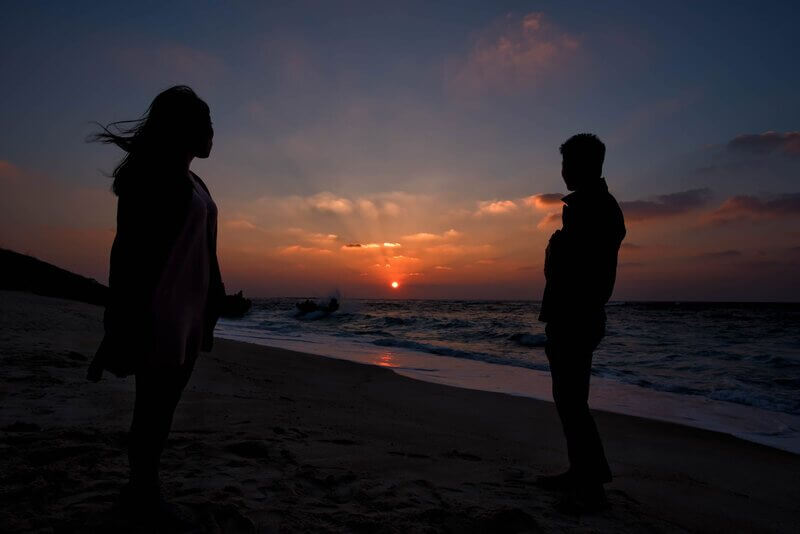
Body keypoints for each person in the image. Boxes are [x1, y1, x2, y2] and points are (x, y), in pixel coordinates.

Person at [86, 86, 225, 524]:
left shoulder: (195, 181)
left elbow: (204, 247)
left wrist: (218, 297)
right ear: (185, 128)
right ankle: (142, 493)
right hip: (159, 311)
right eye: (207, 125)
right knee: (152, 409)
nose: (213, 134)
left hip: (189, 314)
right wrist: (119, 322)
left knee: (162, 408)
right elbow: (126, 252)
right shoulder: (152, 177)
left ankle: (142, 488)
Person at [536, 133, 626, 513]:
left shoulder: (596, 207)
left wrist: (557, 253)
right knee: (568, 398)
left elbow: (582, 267)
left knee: (572, 399)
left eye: (567, 164)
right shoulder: (585, 205)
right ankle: (583, 471)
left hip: (578, 313)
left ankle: (592, 484)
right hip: (570, 312)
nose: (563, 172)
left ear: (585, 165)